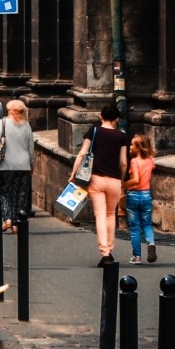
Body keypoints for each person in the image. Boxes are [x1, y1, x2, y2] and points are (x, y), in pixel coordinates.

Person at [70, 103, 128, 266]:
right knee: (111, 215)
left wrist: (73, 173)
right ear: (116, 119)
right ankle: (110, 247)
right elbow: (123, 162)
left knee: (100, 215)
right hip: (114, 180)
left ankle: (105, 252)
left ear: (101, 116)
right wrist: (121, 179)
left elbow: (82, 153)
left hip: (96, 179)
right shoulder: (121, 136)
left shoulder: (93, 131)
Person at [0, 100, 35, 232]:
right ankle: (16, 224)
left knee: (5, 193)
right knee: (21, 194)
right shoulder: (27, 126)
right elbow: (31, 147)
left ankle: (7, 219)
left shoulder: (3, 123)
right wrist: (31, 163)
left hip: (6, 164)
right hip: (23, 165)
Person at [122, 133, 157, 264]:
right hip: (146, 194)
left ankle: (137, 256)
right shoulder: (150, 160)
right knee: (147, 224)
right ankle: (151, 243)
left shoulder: (134, 162)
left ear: (139, 148)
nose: (130, 147)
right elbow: (152, 165)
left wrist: (124, 184)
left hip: (134, 195)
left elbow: (136, 180)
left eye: (132, 145)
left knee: (135, 227)